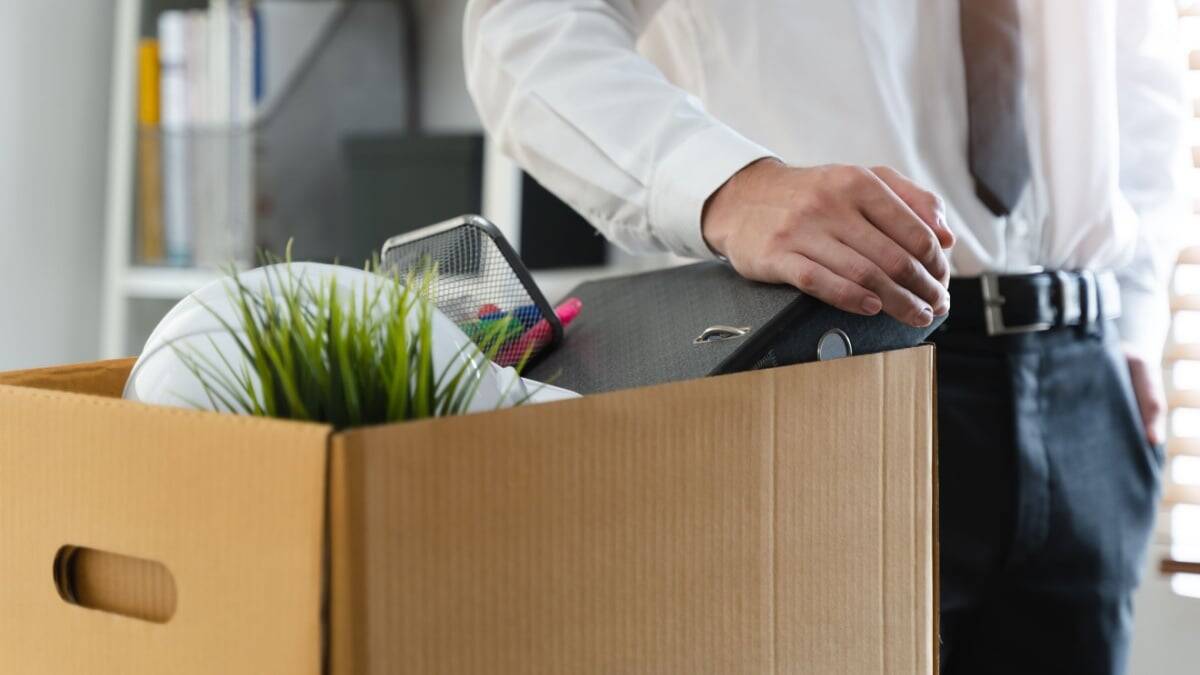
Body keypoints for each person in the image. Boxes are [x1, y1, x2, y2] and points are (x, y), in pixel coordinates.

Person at [463, 1, 1190, 673]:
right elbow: (525, 26)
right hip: (828, 362)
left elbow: (1142, 72)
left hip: (1088, 384)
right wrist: (729, 185)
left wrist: (1133, 320)